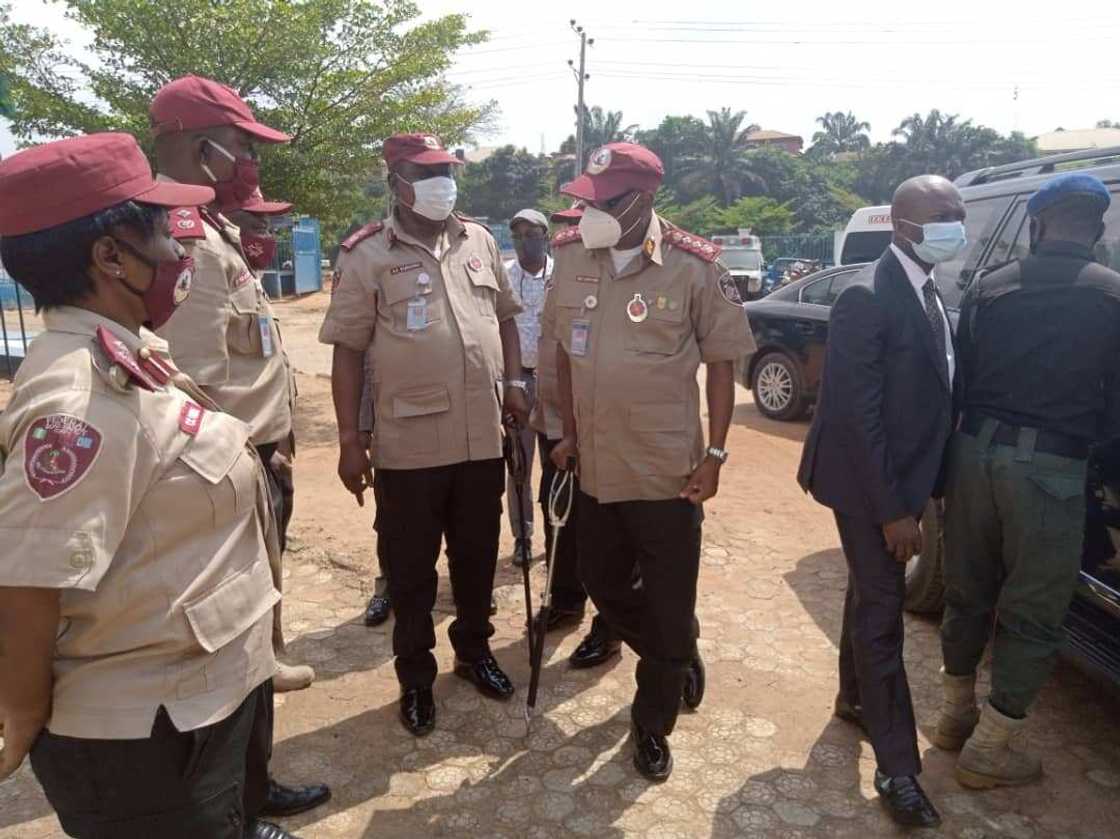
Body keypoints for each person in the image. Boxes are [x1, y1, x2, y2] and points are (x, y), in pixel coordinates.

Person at [0, 132, 295, 839]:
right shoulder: (79, 399)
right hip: (145, 741)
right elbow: (29, 578)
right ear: (111, 257)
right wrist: (22, 712)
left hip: (192, 700)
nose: (178, 250)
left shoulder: (127, 351)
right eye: (162, 232)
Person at [148, 75, 329, 823]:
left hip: (251, 461)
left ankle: (252, 786)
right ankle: (242, 803)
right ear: (203, 147)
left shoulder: (207, 229)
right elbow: (187, 384)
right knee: (233, 644)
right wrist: (251, 452)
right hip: (228, 469)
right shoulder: (184, 238)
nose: (251, 162)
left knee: (252, 638)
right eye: (243, 147)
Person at [544, 142, 752, 781]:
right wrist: (567, 432)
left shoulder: (695, 266)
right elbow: (563, 353)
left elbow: (722, 366)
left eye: (607, 203)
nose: (592, 214)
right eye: (588, 202)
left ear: (645, 200)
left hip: (667, 472)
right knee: (601, 582)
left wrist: (715, 454)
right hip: (597, 467)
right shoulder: (571, 259)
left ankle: (651, 722)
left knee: (666, 597)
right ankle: (676, 647)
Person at [319, 133, 528, 737]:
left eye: (448, 171)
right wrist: (350, 439)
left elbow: (506, 320)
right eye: (426, 173)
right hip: (408, 445)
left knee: (476, 558)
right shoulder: (367, 254)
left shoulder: (479, 241)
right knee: (411, 571)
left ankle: (474, 651)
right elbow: (347, 352)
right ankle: (415, 677)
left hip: (481, 436)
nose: (443, 183)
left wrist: (516, 382)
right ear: (396, 182)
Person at [937, 173, 1120, 789]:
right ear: (1096, 231)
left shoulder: (989, 288)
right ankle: (989, 750)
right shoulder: (1113, 297)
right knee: (1033, 613)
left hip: (972, 456)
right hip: (1052, 472)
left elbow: (959, 380)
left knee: (967, 592)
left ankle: (954, 718)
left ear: (1037, 227)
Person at [796, 174, 963, 828]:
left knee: (868, 591)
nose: (955, 224)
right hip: (868, 481)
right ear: (902, 224)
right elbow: (856, 416)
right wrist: (894, 509)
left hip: (904, 476)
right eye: (942, 214)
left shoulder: (929, 288)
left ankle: (854, 698)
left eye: (957, 212)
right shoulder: (866, 297)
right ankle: (897, 768)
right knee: (883, 613)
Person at [505, 208, 552, 567]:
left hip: (555, 384)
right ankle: (523, 536)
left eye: (532, 235)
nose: (524, 242)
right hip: (518, 382)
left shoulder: (562, 276)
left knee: (557, 463)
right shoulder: (504, 277)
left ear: (546, 237)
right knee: (519, 465)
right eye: (518, 236)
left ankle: (556, 535)